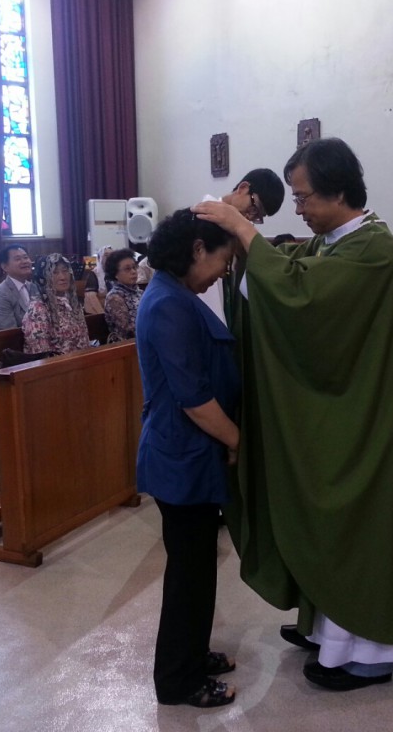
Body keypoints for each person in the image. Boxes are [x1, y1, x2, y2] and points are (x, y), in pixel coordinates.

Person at [192, 137, 393, 691]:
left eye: (303, 199)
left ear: (339, 192)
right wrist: (242, 239)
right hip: (341, 410)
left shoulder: (374, 250)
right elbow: (287, 276)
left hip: (358, 420)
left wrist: (243, 228)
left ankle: (368, 654)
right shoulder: (334, 243)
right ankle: (328, 628)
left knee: (352, 523)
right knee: (325, 524)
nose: (298, 209)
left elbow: (303, 300)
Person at [135, 209, 240, 708]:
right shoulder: (168, 305)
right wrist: (239, 441)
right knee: (188, 572)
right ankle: (178, 680)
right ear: (198, 249)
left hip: (192, 454)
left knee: (198, 565)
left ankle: (193, 654)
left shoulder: (175, 293)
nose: (223, 271)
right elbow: (194, 400)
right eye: (222, 260)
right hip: (180, 456)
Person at [197, 168, 285, 324]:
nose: (250, 217)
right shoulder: (202, 221)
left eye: (258, 216)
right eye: (254, 207)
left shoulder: (240, 233)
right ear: (243, 188)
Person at [21, 253, 90, 355]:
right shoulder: (38, 309)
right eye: (55, 272)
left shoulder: (73, 303)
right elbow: (41, 353)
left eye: (65, 271)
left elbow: (84, 340)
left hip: (81, 360)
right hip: (56, 363)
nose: (63, 277)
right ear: (44, 277)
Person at [0, 244, 38, 330]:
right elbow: (7, 330)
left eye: (26, 257)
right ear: (5, 267)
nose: (24, 261)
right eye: (18, 259)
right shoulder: (1, 293)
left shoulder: (34, 287)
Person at [103, 248, 141, 342]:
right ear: (115, 274)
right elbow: (127, 331)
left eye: (134, 267)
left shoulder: (140, 292)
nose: (133, 271)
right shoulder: (114, 297)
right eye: (127, 269)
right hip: (127, 345)